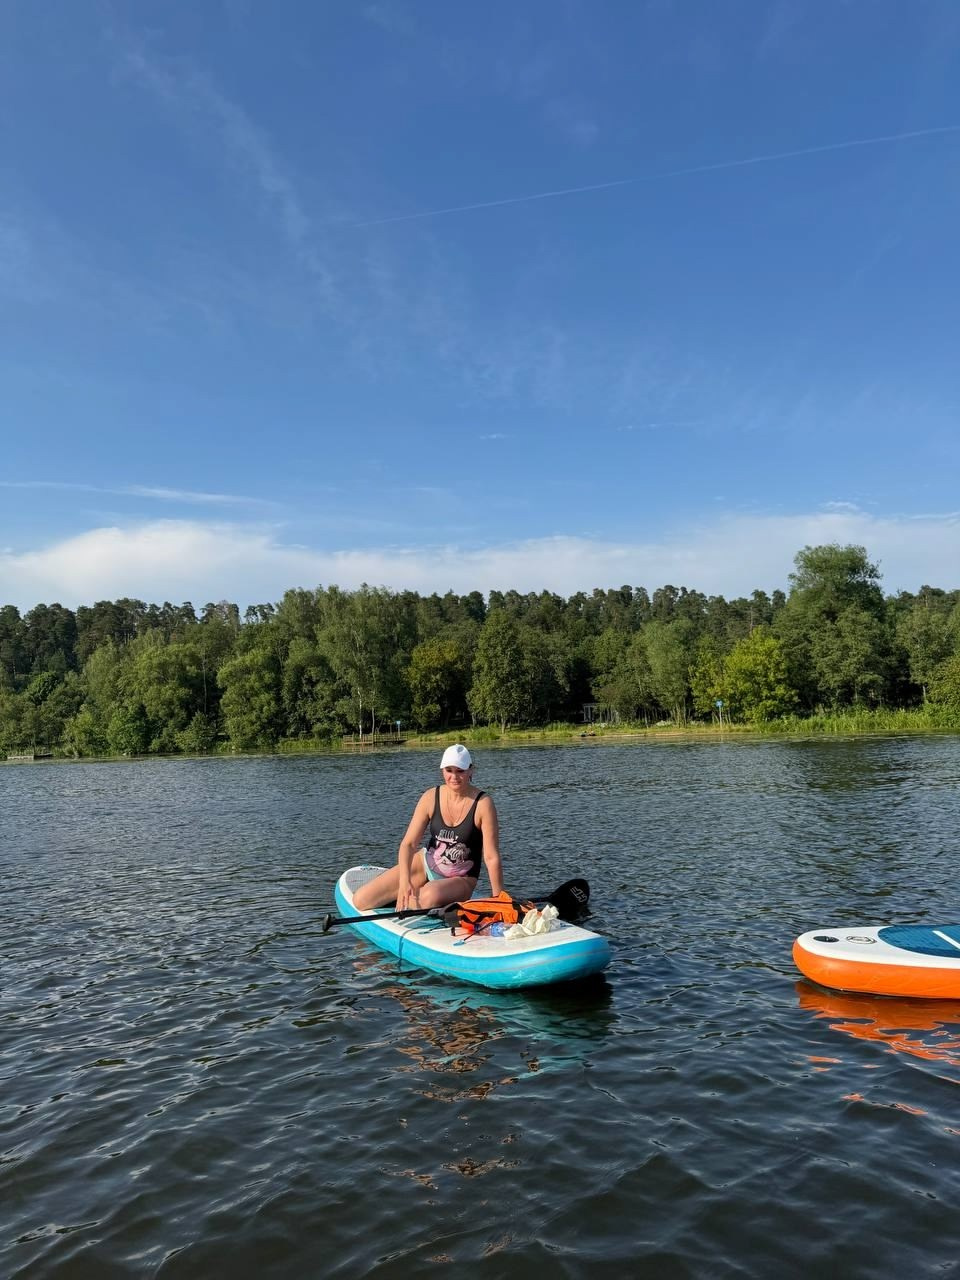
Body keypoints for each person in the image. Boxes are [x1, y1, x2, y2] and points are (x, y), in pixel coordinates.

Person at [352, 744, 503, 913]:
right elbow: (408, 844)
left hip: (461, 878)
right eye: (449, 770)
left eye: (460, 771)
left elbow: (491, 857)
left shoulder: (483, 804)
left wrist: (499, 899)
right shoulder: (430, 797)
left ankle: (406, 899)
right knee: (361, 900)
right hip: (426, 864)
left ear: (471, 771)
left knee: (429, 896)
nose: (454, 777)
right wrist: (404, 881)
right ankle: (401, 896)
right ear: (442, 771)